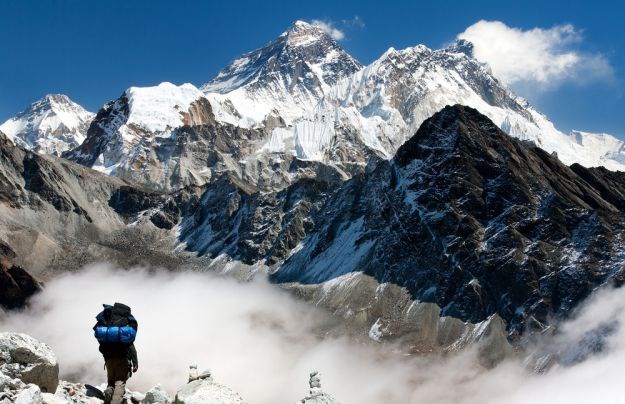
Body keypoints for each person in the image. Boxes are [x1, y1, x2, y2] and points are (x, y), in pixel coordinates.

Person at [93, 303, 139, 404]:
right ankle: (115, 401)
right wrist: (135, 363)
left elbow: (101, 344)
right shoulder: (124, 325)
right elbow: (131, 347)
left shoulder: (107, 321)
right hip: (122, 358)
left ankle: (109, 392)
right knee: (120, 382)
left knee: (111, 381)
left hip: (109, 359)